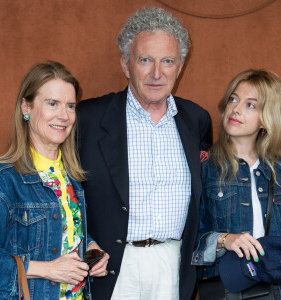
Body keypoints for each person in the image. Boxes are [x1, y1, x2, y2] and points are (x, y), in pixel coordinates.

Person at [77, 7, 212, 300]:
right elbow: (64, 194)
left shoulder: (197, 119)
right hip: (113, 267)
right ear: (126, 64)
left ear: (180, 66)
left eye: (167, 61)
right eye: (145, 60)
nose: (156, 73)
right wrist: (84, 245)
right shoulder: (86, 118)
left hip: (173, 267)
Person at [0, 61, 109, 300]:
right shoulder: (3, 179)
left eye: (70, 106)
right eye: (52, 103)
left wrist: (90, 247)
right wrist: (48, 269)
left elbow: (61, 233)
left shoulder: (70, 176)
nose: (64, 116)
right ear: (27, 106)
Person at [192, 69, 281, 299]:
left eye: (250, 105)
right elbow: (186, 241)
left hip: (278, 292)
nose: (235, 109)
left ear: (267, 119)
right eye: (233, 99)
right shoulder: (203, 169)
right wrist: (224, 240)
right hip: (225, 290)